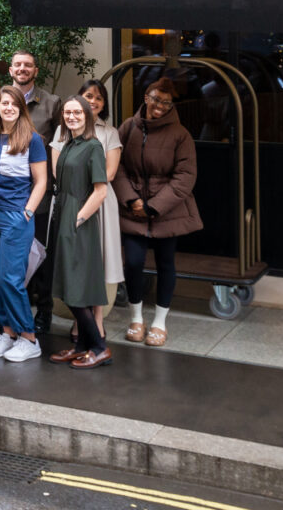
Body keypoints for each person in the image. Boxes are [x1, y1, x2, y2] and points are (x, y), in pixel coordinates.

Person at [116, 78, 200, 349]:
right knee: (133, 262)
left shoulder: (180, 134)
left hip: (166, 211)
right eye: (156, 99)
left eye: (166, 102)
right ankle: (136, 318)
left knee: (166, 264)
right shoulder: (128, 127)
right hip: (132, 208)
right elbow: (115, 166)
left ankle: (160, 322)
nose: (160, 106)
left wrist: (153, 206)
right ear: (146, 97)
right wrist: (131, 200)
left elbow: (185, 176)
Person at [0, 84, 47, 362]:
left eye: (14, 104)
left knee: (11, 279)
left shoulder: (33, 139)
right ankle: (7, 332)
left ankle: (29, 337)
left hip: (16, 217)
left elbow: (41, 181)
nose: (9, 108)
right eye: (4, 103)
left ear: (21, 108)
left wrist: (27, 212)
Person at [49, 97, 112, 369]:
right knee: (68, 283)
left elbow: (101, 191)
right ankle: (81, 346)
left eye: (77, 112)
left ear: (87, 115)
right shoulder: (69, 144)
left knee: (75, 286)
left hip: (77, 221)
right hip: (63, 214)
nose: (71, 116)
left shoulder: (93, 146)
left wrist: (78, 220)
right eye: (67, 112)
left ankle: (99, 347)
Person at [71, 80, 124, 343]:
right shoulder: (65, 128)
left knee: (97, 262)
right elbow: (58, 169)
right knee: (75, 262)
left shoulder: (110, 133)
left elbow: (110, 173)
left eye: (99, 98)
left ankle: (97, 320)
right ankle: (79, 319)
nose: (93, 101)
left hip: (100, 201)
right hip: (71, 200)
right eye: (88, 95)